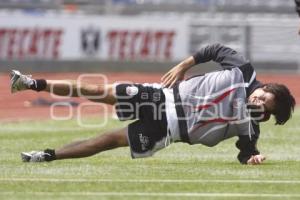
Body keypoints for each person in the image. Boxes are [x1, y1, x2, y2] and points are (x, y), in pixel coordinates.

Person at [11, 43, 295, 165]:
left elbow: (246, 153)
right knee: (97, 90)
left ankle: (46, 156)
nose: (259, 104)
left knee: (108, 140)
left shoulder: (251, 127)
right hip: (164, 95)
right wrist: (184, 65)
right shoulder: (245, 72)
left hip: (169, 130)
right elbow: (215, 50)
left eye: (265, 111)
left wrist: (252, 158)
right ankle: (31, 83)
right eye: (265, 99)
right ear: (268, 88)